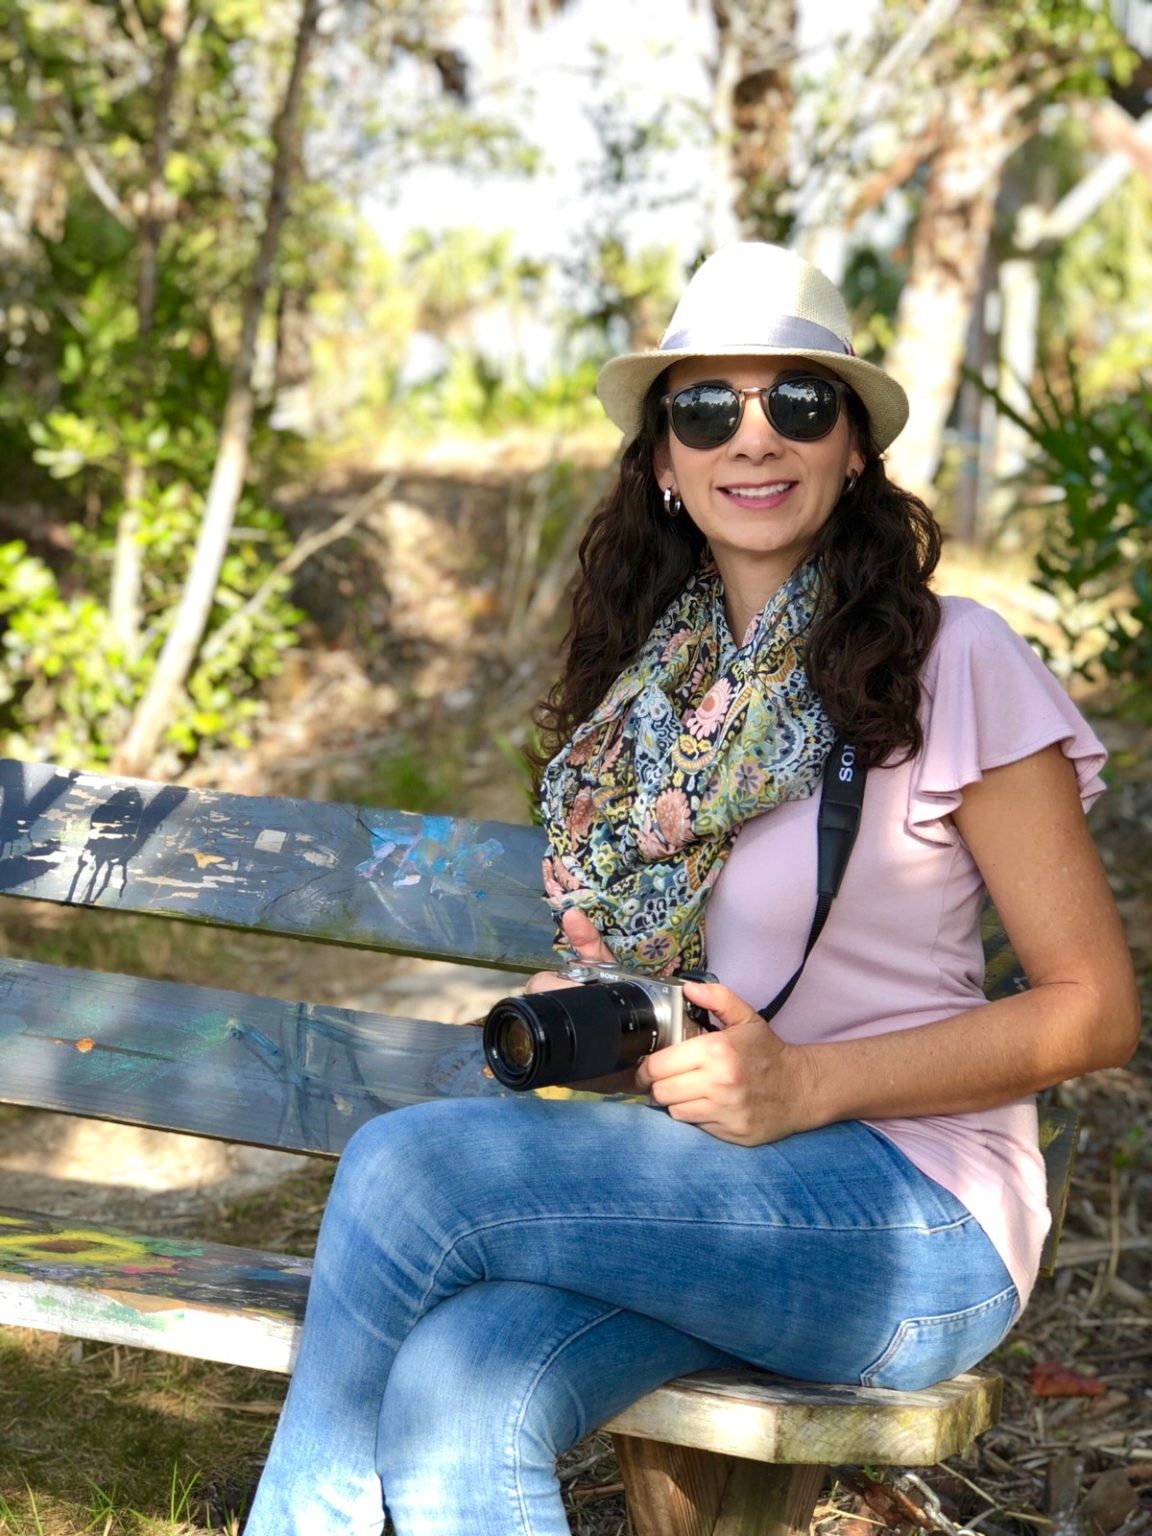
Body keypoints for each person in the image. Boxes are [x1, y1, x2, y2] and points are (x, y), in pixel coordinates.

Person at [244, 242, 1139, 1536]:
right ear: (664, 460)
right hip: (712, 1184)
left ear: (853, 448)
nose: (753, 437)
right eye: (708, 407)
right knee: (458, 1384)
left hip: (918, 1216)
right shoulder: (650, 707)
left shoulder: (958, 660)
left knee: (403, 1172)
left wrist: (807, 1084)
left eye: (799, 402)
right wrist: (610, 1025)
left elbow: (1096, 1012)